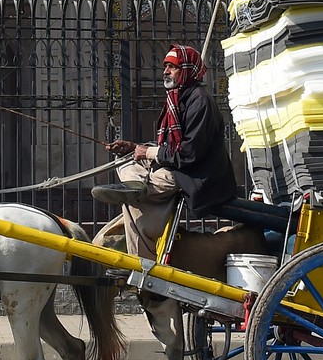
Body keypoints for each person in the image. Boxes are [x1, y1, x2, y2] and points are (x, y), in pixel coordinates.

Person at [93, 43, 237, 259]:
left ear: (187, 70)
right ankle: (138, 186)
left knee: (134, 205)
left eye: (173, 67)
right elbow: (169, 147)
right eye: (165, 66)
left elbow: (188, 154)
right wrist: (134, 149)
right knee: (123, 160)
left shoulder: (200, 102)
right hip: (175, 166)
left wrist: (148, 153)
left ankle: (139, 192)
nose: (166, 72)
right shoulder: (176, 99)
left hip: (194, 175)